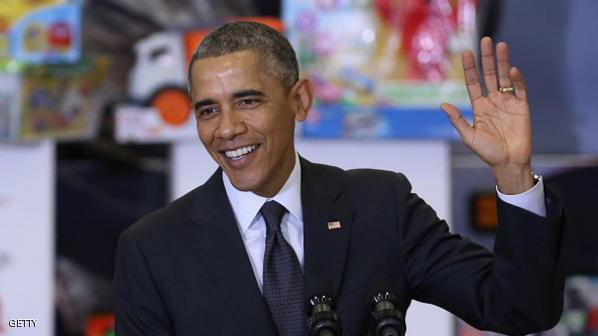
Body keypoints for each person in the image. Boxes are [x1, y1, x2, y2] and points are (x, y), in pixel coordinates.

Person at [114, 22, 565, 335]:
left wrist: (512, 174)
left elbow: (517, 308)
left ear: (300, 101)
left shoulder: (380, 206)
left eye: (248, 101)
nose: (226, 128)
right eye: (208, 109)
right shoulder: (153, 248)